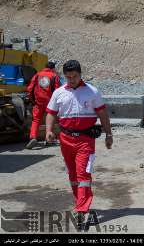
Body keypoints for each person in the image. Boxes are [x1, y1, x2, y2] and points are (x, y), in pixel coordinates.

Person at [45, 60, 113, 226]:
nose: (72, 80)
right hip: (65, 140)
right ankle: (80, 203)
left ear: (80, 74)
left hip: (85, 140)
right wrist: (48, 130)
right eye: (68, 77)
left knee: (83, 175)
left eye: (74, 76)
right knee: (73, 175)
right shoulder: (59, 92)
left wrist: (108, 134)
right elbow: (51, 113)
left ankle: (82, 211)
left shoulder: (92, 92)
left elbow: (103, 114)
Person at [25, 60, 61, 149]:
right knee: (51, 120)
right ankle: (49, 139)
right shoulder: (54, 76)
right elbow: (58, 90)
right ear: (52, 68)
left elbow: (30, 88)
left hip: (38, 102)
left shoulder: (37, 75)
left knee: (36, 120)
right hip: (50, 103)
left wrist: (32, 100)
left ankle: (33, 137)